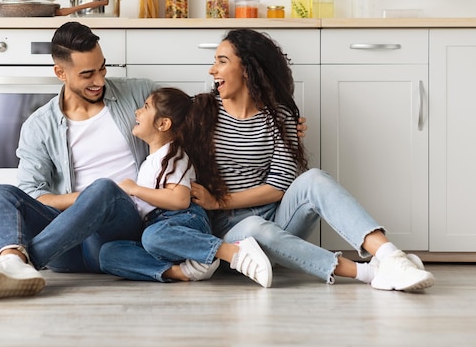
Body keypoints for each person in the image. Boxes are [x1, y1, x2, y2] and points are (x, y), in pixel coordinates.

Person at [184, 28, 434, 291]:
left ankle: (391, 257)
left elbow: (279, 186)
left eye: (222, 61)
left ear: (247, 68)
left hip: (278, 219)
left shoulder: (280, 116)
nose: (212, 70)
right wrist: (215, 204)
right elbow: (159, 120)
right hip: (229, 235)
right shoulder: (199, 111)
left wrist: (219, 200)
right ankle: (369, 272)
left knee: (314, 178)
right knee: (257, 228)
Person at [0, 21, 156, 300]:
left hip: (118, 236)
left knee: (104, 188)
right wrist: (85, 200)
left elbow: (186, 123)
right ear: (60, 72)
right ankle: (12, 260)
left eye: (102, 68)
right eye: (87, 74)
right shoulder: (39, 125)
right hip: (67, 248)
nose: (99, 80)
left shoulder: (139, 94)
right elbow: (32, 195)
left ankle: (16, 263)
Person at [100, 87, 272, 287]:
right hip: (162, 229)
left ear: (163, 123)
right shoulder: (150, 160)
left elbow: (179, 200)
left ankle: (231, 252)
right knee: (107, 254)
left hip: (183, 220)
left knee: (152, 237)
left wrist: (135, 189)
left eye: (146, 106)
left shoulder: (174, 155)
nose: (137, 111)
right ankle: (181, 272)